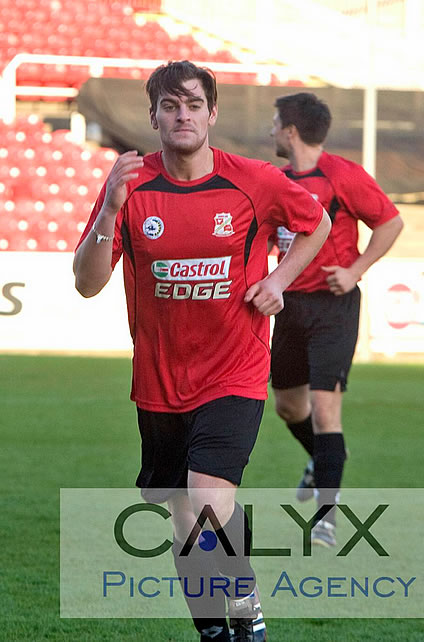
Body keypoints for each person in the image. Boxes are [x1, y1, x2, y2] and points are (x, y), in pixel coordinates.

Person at [73, 62, 331, 642]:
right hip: (159, 382)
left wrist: (279, 281)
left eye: (193, 104)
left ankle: (247, 607)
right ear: (154, 116)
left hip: (234, 371)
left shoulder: (255, 181)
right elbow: (87, 282)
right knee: (186, 520)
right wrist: (111, 211)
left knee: (208, 500)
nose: (182, 115)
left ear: (212, 113)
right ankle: (213, 631)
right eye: (170, 105)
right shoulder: (129, 184)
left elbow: (315, 223)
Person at [269, 92, 403, 548]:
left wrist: (355, 269)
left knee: (326, 411)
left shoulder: (341, 175)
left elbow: (390, 222)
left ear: (290, 131)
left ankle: (326, 519)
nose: (270, 130)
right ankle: (322, 464)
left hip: (332, 305)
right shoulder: (276, 180)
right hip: (288, 305)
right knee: (288, 406)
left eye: (274, 123)